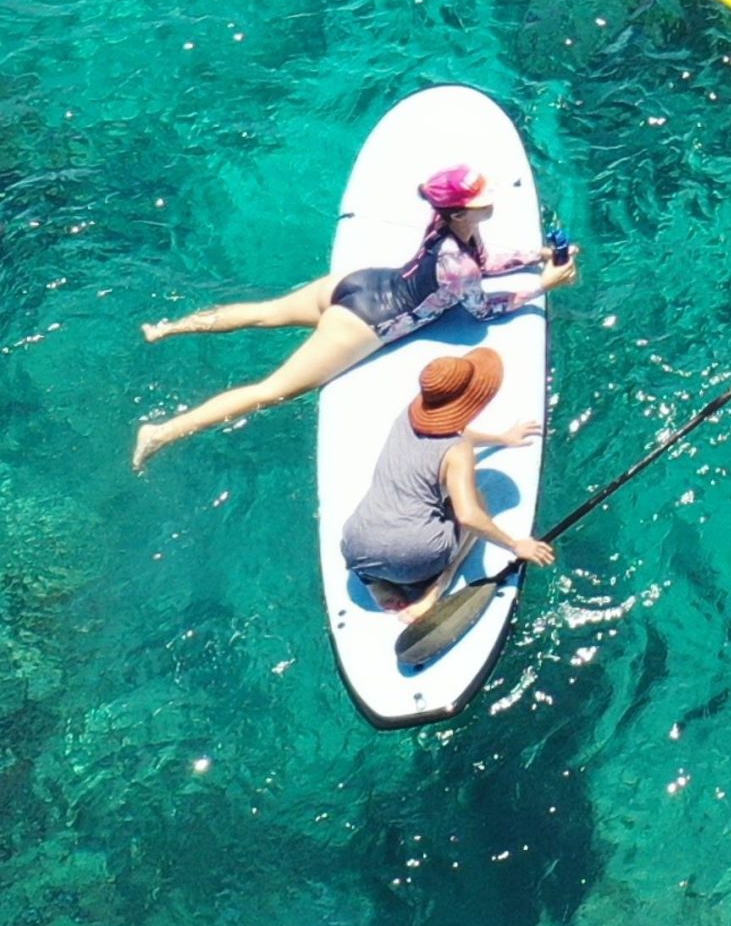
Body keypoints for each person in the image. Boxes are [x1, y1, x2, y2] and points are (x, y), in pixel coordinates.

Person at [135, 165, 579, 469]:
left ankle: (168, 329)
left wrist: (536, 256)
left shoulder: (449, 227)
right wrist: (545, 284)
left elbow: (484, 261)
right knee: (271, 391)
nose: (493, 199)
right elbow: (482, 307)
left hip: (359, 283)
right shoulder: (456, 260)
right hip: (365, 322)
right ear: (462, 210)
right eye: (484, 198)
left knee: (265, 312)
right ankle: (159, 432)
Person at [340, 345, 555, 615]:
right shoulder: (458, 451)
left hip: (356, 545)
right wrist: (515, 544)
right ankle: (437, 588)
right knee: (478, 499)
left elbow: (457, 432)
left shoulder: (409, 415)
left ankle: (375, 584)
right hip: (415, 559)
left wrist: (502, 438)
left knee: (382, 533)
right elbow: (467, 517)